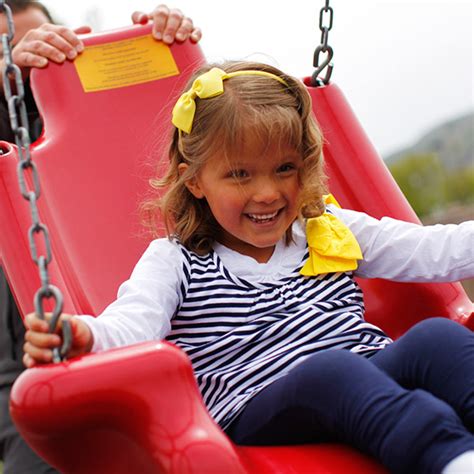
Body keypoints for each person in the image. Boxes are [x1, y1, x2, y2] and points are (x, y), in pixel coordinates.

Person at [23, 60, 474, 474]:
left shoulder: (325, 227)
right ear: (194, 179)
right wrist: (80, 337)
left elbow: (434, 250)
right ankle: (452, 460)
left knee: (438, 338)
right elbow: (130, 327)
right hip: (256, 407)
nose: (267, 193)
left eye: (284, 168)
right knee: (332, 372)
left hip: (363, 373)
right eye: (240, 174)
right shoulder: (177, 260)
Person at [0, 2, 201, 473]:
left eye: (41, 41)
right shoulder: (14, 148)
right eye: (9, 49)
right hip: (26, 365)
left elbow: (192, 140)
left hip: (162, 329)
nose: (27, 58)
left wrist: (160, 57)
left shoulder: (97, 126)